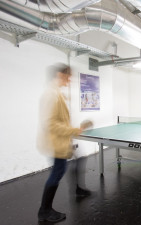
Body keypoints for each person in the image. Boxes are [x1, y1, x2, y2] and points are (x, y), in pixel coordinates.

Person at [36, 63, 91, 222]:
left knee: (80, 158)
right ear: (60, 75)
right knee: (57, 173)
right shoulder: (51, 94)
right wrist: (74, 130)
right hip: (55, 143)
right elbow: (50, 124)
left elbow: (59, 119)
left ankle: (79, 189)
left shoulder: (57, 93)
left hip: (62, 140)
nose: (69, 80)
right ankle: (44, 211)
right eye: (68, 77)